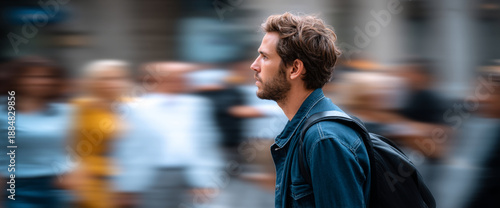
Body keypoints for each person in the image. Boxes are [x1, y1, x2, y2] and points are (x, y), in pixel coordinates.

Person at [250, 13, 370, 207]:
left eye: (264, 57)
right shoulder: (305, 131)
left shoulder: (323, 140)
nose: (254, 65)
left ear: (295, 69)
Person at [0, 57, 73, 208]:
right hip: (16, 186)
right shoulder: (3, 113)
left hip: (58, 187)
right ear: (16, 79)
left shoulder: (66, 111)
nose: (41, 81)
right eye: (32, 76)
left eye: (47, 77)